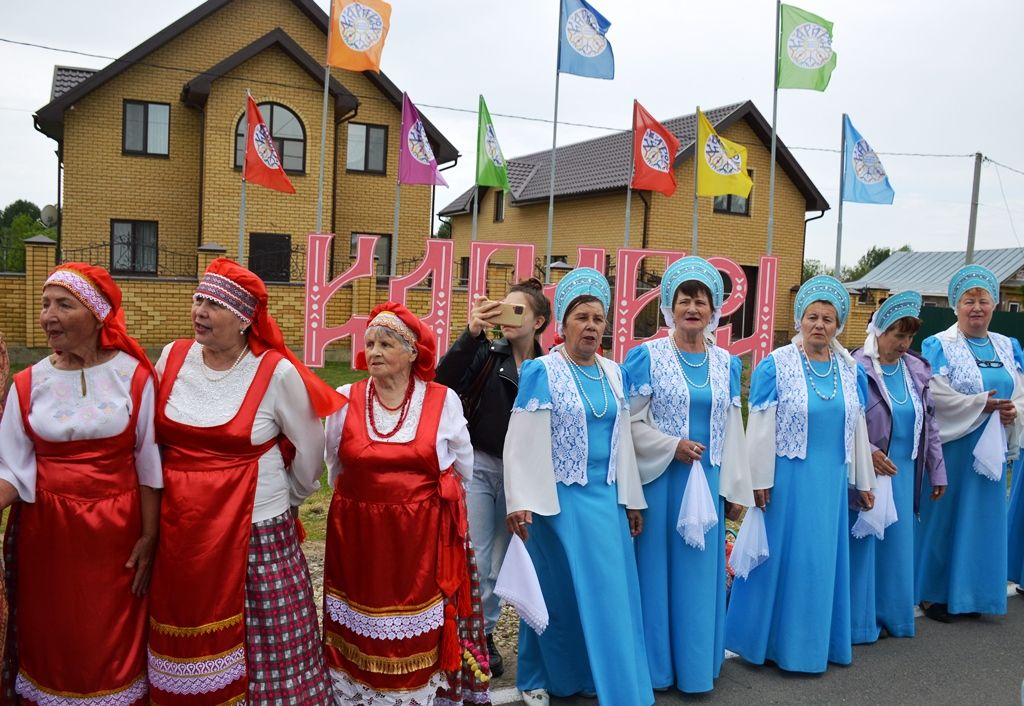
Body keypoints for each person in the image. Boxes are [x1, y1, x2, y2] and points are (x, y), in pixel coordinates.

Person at [147, 258, 343, 704]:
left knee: (265, 637)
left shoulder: (275, 371)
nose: (199, 310)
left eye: (214, 304)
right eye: (198, 298)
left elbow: (310, 449)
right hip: (182, 530)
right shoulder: (173, 357)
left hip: (256, 529)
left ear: (243, 319)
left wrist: (286, 496)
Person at [0, 263, 161, 704]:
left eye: (63, 305)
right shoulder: (28, 384)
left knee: (110, 632)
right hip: (48, 535)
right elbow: (11, 468)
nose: (48, 315)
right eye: (45, 304)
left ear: (96, 314)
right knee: (53, 628)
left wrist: (149, 537)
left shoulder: (134, 377)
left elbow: (149, 464)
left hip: (118, 534)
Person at [322, 302, 485, 706]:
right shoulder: (345, 398)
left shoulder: (442, 401)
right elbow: (332, 465)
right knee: (360, 614)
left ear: (413, 352)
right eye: (370, 343)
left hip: (420, 536)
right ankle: (358, 692)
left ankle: (413, 694)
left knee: (416, 618)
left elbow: (463, 466)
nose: (373, 352)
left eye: (386, 344)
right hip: (358, 533)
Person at [504, 267, 653, 706]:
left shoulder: (614, 373)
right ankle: (536, 677)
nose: (590, 326)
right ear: (563, 324)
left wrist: (631, 501)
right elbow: (521, 442)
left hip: (605, 501)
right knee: (554, 593)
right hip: (556, 504)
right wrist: (520, 501)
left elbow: (623, 442)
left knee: (609, 594)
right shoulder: (541, 371)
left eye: (598, 318)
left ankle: (595, 674)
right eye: (581, 317)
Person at [725, 275, 874, 673]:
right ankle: (769, 645)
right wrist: (758, 480)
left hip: (829, 484)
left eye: (828, 318)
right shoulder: (776, 366)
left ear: (838, 325)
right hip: (787, 484)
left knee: (819, 564)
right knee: (785, 562)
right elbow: (758, 426)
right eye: (812, 317)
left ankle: (813, 645)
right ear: (798, 320)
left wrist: (863, 482)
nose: (820, 325)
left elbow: (857, 427)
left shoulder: (850, 372)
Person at [624, 256, 753, 693]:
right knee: (658, 576)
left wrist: (736, 486)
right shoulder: (646, 357)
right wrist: (670, 446)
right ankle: (659, 670)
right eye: (685, 300)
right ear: (669, 306)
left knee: (699, 576)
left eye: (702, 300)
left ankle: (697, 668)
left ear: (714, 307)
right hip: (664, 482)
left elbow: (733, 428)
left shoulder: (727, 364)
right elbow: (630, 426)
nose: (693, 308)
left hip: (710, 482)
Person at [435, 278, 550, 678]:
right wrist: (470, 334)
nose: (507, 318)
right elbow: (442, 382)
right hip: (483, 466)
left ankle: (487, 629)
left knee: (503, 559)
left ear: (538, 322)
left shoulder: (549, 367)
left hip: (524, 474)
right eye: (504, 309)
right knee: (479, 557)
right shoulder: (485, 353)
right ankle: (477, 636)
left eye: (518, 311)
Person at [917, 265, 1024, 621]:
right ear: (955, 306)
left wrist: (1013, 411)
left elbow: (1020, 390)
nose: (976, 307)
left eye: (983, 300)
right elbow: (934, 393)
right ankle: (934, 593)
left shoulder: (1008, 346)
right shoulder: (941, 345)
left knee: (981, 518)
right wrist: (981, 405)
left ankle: (973, 593)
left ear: (994, 304)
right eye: (969, 301)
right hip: (954, 446)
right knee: (945, 518)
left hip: (992, 447)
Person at [849, 291, 947, 642]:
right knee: (867, 545)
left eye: (908, 336)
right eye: (897, 335)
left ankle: (893, 615)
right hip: (872, 471)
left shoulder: (917, 369)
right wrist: (869, 452)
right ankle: (860, 622)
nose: (904, 343)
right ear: (878, 331)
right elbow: (848, 421)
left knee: (897, 546)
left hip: (906, 473)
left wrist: (937, 469)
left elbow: (930, 425)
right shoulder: (856, 367)